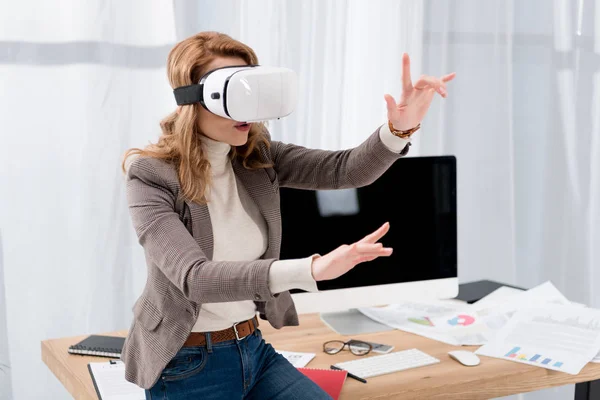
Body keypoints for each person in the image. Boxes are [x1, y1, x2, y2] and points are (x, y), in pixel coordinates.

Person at [120, 31, 454, 400]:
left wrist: (398, 130)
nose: (246, 112)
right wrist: (310, 270)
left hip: (251, 347)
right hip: (188, 362)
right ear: (193, 100)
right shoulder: (151, 176)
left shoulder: (255, 157)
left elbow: (344, 170)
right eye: (232, 94)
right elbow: (195, 278)